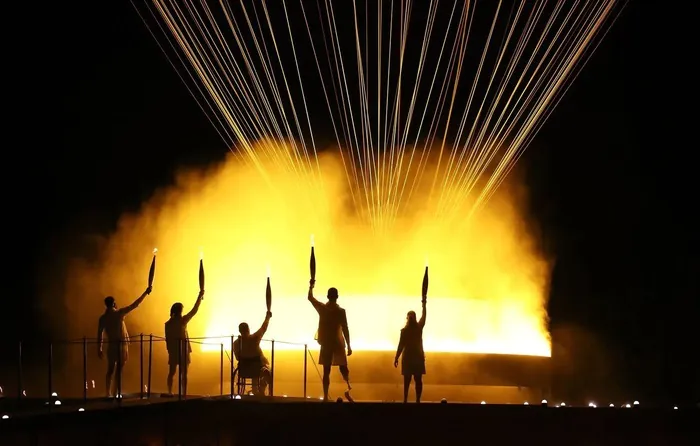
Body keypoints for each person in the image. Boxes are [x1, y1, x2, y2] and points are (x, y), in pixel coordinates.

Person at [97, 286, 152, 398]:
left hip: (112, 345)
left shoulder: (103, 318)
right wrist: (145, 293)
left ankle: (108, 393)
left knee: (110, 369)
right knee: (119, 370)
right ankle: (116, 392)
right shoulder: (119, 313)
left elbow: (99, 335)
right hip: (122, 345)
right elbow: (135, 304)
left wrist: (99, 348)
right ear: (113, 303)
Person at [308, 280, 352, 401]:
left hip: (327, 343)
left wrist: (311, 286)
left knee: (326, 371)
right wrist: (349, 345)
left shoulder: (323, 309)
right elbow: (345, 328)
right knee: (343, 367)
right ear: (337, 297)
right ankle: (348, 386)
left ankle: (326, 396)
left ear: (328, 296)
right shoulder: (340, 311)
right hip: (338, 343)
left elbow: (310, 298)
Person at [164, 290, 204, 397]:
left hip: (173, 350)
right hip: (182, 349)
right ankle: (183, 393)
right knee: (183, 373)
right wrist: (199, 297)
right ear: (180, 311)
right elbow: (194, 310)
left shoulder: (168, 324)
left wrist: (169, 349)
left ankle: (170, 391)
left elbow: (166, 339)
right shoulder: (182, 321)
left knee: (172, 372)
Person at [394, 297, 427, 403]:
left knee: (411, 380)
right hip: (414, 357)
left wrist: (396, 357)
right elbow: (400, 345)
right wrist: (424, 305)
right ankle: (412, 400)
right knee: (413, 380)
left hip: (412, 357)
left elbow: (400, 345)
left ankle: (408, 400)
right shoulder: (416, 328)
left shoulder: (408, 330)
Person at [233, 311, 272, 394]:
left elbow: (237, 357)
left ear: (239, 331)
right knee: (268, 369)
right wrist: (267, 317)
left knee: (254, 367)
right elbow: (263, 328)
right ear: (248, 329)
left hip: (244, 370)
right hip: (257, 369)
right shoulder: (255, 338)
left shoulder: (236, 343)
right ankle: (261, 389)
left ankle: (255, 390)